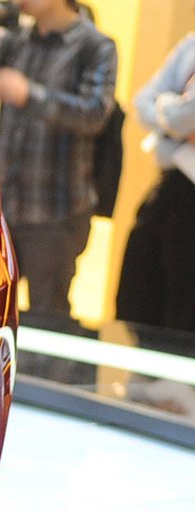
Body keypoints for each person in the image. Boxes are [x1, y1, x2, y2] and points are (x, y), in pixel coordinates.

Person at [0, 0, 118, 324]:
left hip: (57, 212)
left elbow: (94, 114)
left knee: (48, 318)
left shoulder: (95, 46)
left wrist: (30, 95)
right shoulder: (16, 40)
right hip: (3, 208)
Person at [115, 32, 195, 334]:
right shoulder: (190, 43)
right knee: (137, 293)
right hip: (172, 183)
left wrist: (168, 108)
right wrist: (173, 109)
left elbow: (181, 118)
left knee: (182, 309)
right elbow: (142, 101)